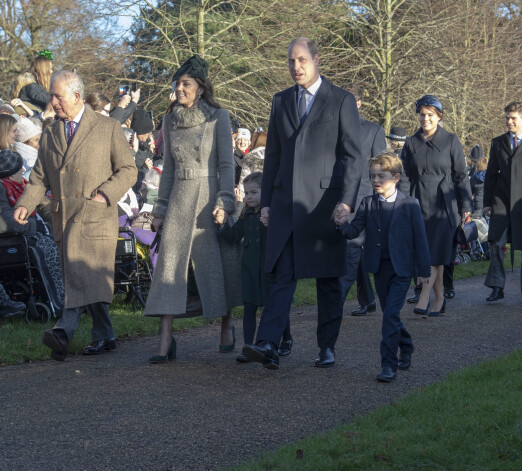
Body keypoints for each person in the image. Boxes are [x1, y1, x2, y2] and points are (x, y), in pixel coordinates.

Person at [242, 37, 363, 370]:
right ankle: (268, 343)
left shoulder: (341, 100)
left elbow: (354, 157)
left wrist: (348, 202)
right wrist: (266, 202)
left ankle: (326, 346)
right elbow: (274, 157)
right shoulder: (280, 101)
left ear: (316, 60)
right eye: (291, 61)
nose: (296, 67)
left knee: (327, 281)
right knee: (283, 275)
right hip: (285, 206)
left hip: (325, 207)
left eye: (302, 60)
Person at [14, 70, 137, 361]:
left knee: (84, 274)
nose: (53, 101)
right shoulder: (50, 132)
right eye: (52, 96)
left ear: (77, 96)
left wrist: (104, 195)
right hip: (65, 218)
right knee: (86, 276)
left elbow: (128, 171)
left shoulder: (107, 127)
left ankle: (63, 331)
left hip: (96, 215)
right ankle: (104, 335)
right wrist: (25, 204)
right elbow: (39, 180)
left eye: (58, 96)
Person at [143, 55, 241, 363]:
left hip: (209, 200)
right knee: (169, 268)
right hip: (178, 202)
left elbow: (227, 165)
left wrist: (225, 201)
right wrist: (159, 210)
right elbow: (168, 169)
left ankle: (226, 325)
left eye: (186, 83)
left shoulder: (218, 117)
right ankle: (164, 339)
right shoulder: (169, 120)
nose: (180, 89)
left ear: (200, 88)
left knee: (217, 265)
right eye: (177, 83)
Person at [338, 152, 430, 382]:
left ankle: (388, 365)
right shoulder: (368, 203)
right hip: (379, 268)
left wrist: (423, 273)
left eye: (381, 176)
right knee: (391, 315)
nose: (376, 180)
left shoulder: (410, 205)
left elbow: (420, 240)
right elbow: (354, 231)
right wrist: (340, 223)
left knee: (389, 314)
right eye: (372, 176)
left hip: (402, 270)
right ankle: (406, 344)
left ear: (396, 177)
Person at [401, 95, 472, 317]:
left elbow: (461, 175)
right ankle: (439, 299)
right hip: (418, 201)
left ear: (439, 117)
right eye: (422, 114)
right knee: (428, 253)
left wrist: (466, 205)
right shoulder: (411, 143)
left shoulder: (451, 140)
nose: (425, 119)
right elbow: (404, 176)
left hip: (444, 204)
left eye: (430, 115)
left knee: (436, 252)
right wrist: (402, 202)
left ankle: (424, 295)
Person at [216, 172, 292, 362]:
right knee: (249, 308)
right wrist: (222, 224)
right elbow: (233, 235)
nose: (248, 197)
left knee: (273, 306)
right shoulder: (246, 215)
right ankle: (248, 347)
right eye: (246, 193)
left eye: (254, 192)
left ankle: (285, 339)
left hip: (268, 270)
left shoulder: (271, 215)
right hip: (249, 270)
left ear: (265, 193)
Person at [0, 149, 64, 315]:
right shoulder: (2, 188)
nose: (23, 170)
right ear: (9, 173)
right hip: (19, 238)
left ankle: (77, 297)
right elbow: (9, 223)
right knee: (52, 248)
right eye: (19, 168)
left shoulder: (22, 184)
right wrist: (36, 226)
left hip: (37, 233)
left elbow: (46, 207)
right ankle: (59, 301)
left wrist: (58, 221)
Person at [341, 85, 386, 317]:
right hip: (337, 200)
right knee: (352, 253)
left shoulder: (374, 131)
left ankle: (335, 303)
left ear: (359, 103)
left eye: (351, 101)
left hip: (364, 201)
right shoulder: (332, 129)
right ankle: (368, 300)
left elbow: (382, 168)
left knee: (351, 250)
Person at [483, 101, 522, 301]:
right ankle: (497, 286)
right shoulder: (497, 143)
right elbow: (490, 174)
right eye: (507, 118)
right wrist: (487, 203)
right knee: (496, 242)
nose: (509, 121)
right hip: (501, 199)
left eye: (513, 118)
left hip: (521, 202)